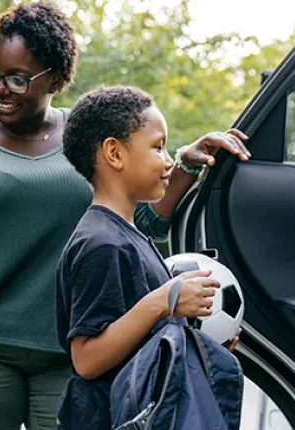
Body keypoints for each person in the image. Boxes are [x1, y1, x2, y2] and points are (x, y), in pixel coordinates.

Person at [0, 1, 250, 430]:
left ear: (56, 79)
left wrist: (186, 167)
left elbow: (135, 226)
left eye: (18, 78)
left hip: (70, 353)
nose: (0, 88)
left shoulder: (93, 137)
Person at [56, 85, 243, 429]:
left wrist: (200, 347)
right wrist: (163, 300)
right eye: (157, 147)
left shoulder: (126, 234)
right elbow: (86, 358)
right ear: (114, 153)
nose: (169, 159)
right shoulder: (102, 244)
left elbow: (143, 343)